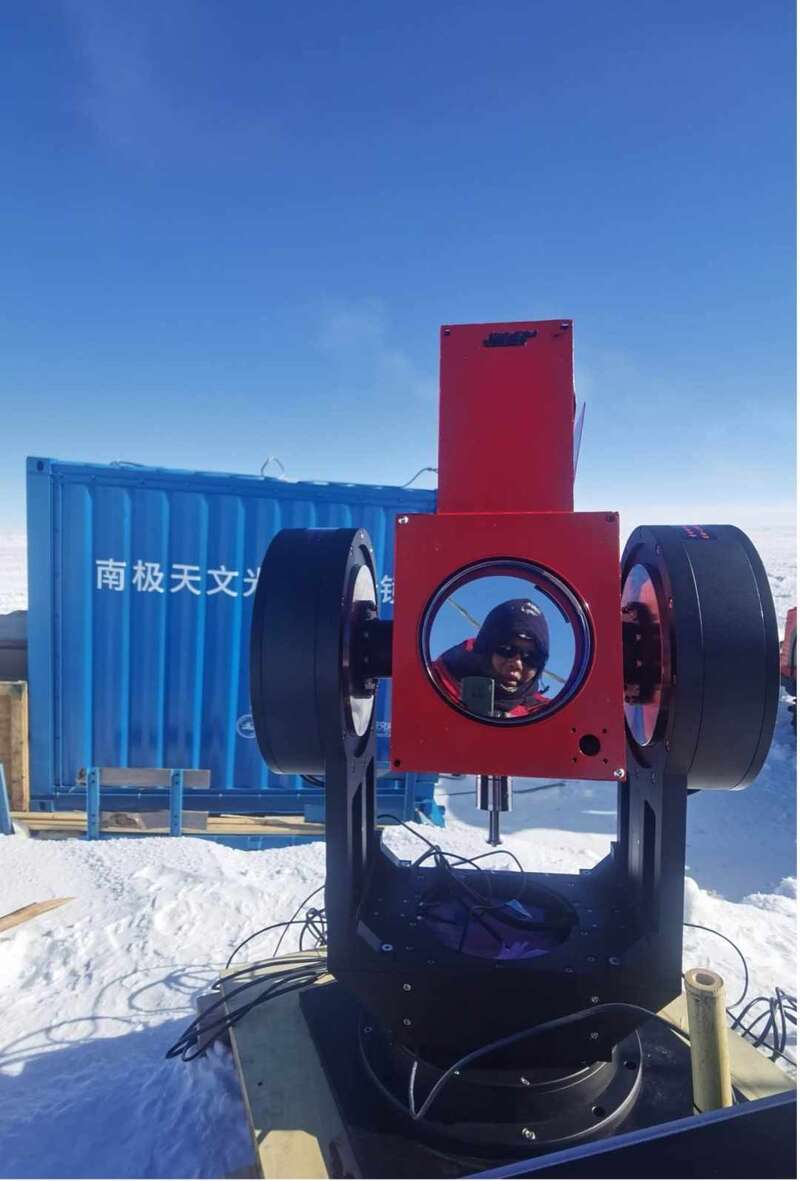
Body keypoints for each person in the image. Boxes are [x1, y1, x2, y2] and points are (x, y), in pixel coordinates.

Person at [431, 598, 550, 718]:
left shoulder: (545, 715)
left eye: (531, 657)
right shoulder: (432, 683)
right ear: (485, 648)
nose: (516, 664)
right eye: (507, 649)